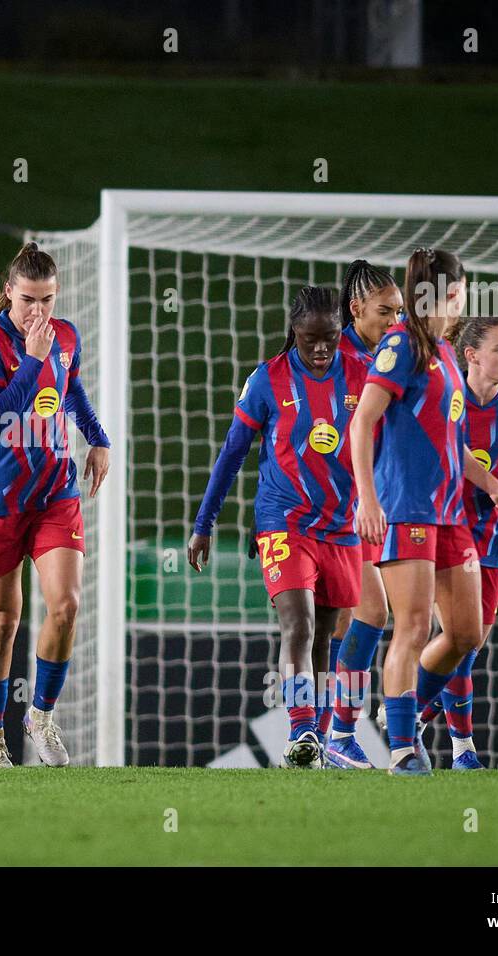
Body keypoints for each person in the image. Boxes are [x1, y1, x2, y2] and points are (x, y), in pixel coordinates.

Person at [349, 248, 498, 776]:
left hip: (452, 515)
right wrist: (367, 497)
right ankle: (403, 749)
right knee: (408, 627)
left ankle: (402, 713)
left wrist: (495, 486)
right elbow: (362, 424)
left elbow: (452, 446)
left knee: (466, 633)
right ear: (452, 292)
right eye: (464, 288)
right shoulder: (399, 345)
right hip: (406, 508)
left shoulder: (447, 354)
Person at [188, 285, 369, 768]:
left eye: (329, 337)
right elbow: (232, 453)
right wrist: (203, 523)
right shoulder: (268, 380)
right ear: (294, 332)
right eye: (310, 338)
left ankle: (321, 741)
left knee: (328, 638)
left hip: (341, 527)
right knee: (300, 624)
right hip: (283, 522)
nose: (320, 348)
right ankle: (301, 730)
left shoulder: (363, 376)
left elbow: (387, 445)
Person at [0, 242, 111, 768]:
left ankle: (41, 717)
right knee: (3, 621)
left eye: (48, 299)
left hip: (53, 493)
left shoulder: (63, 336)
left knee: (66, 605)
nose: (38, 312)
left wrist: (98, 437)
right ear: (9, 293)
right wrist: (32, 358)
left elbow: (71, 389)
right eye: (28, 299)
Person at [417, 314, 498, 769]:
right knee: (456, 637)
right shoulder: (447, 397)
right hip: (446, 527)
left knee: (468, 646)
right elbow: (443, 452)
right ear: (472, 355)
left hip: (492, 534)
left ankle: (410, 712)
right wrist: (496, 484)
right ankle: (462, 749)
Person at [325, 259, 403, 769]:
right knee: (372, 613)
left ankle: (331, 733)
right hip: (336, 507)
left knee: (349, 622)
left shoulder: (389, 355)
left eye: (400, 312)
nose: (395, 322)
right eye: (384, 312)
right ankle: (338, 732)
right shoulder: (331, 356)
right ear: (355, 309)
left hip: (371, 504)